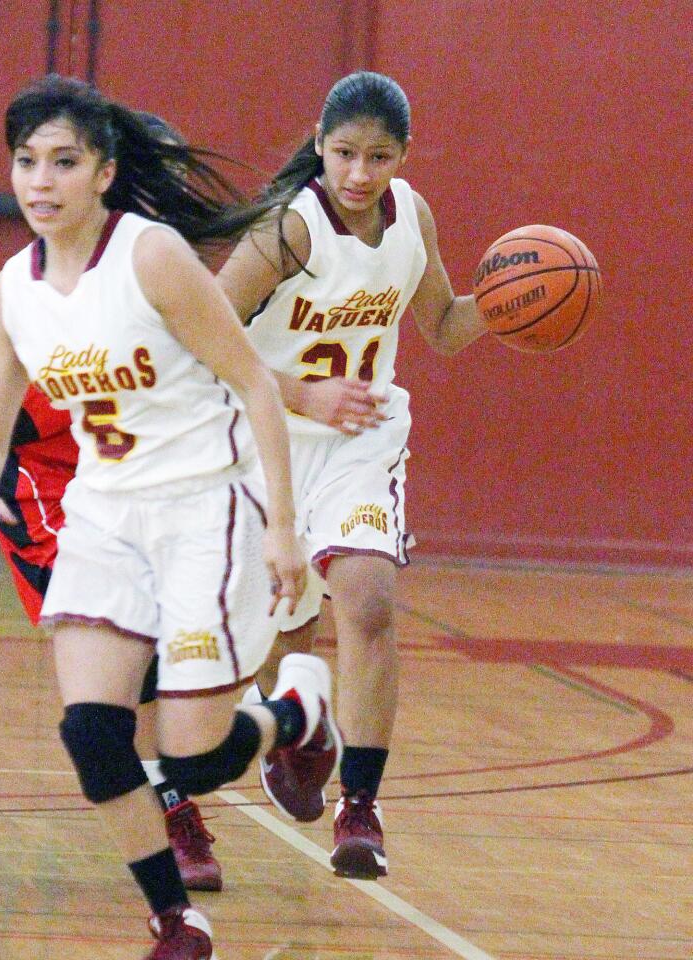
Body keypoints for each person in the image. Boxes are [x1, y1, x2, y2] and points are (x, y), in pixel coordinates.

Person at [0, 74, 341, 960]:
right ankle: (176, 920)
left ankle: (296, 711)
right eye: (25, 162)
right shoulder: (11, 290)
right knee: (94, 736)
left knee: (195, 758)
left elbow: (251, 381)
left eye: (63, 162)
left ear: (103, 172)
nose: (40, 181)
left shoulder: (150, 255)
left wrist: (284, 529)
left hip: (205, 507)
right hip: (104, 518)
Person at [217, 70, 487, 879]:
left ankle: (361, 807)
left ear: (403, 156)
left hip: (360, 442)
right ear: (319, 144)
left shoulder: (414, 218)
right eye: (344, 154)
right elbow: (204, 341)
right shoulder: (287, 231)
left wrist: (505, 308)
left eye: (378, 156)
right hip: (266, 441)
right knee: (284, 634)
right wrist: (303, 391)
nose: (360, 173)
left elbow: (440, 326)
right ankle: (302, 724)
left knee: (368, 597)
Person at [0, 381, 224, 891]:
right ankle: (172, 807)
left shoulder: (164, 309)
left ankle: (287, 721)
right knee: (125, 648)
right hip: (46, 490)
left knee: (184, 649)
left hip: (133, 484)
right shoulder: (42, 326)